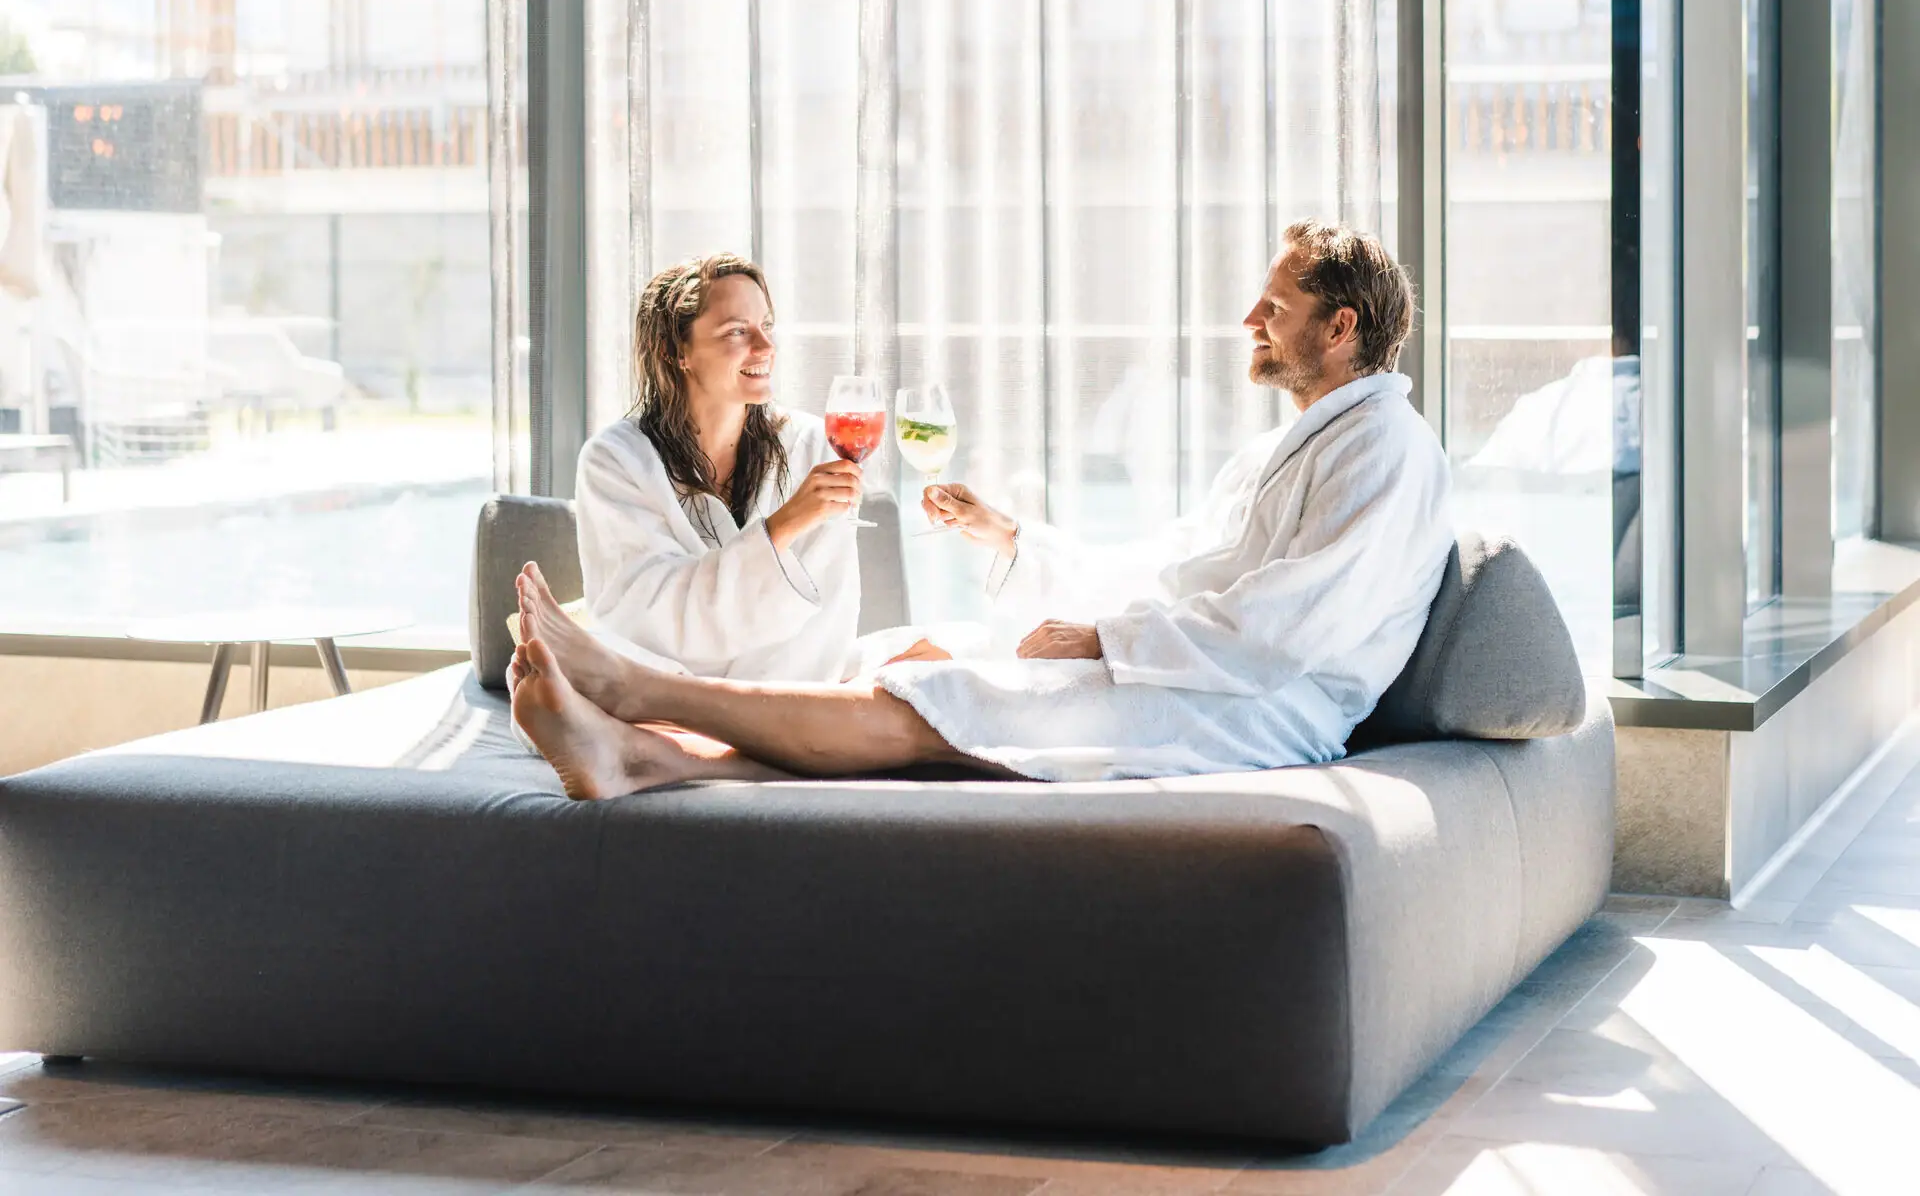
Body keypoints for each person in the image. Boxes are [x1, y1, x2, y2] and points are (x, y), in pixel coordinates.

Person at [510, 220, 1455, 798]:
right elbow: (1174, 569)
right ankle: (650, 761)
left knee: (946, 694)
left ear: (1341, 328)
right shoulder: (1291, 451)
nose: (1250, 321)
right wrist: (1013, 540)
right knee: (953, 673)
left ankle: (640, 696)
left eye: (1274, 308)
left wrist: (1104, 640)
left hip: (1258, 710)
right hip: (1217, 679)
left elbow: (1285, 627)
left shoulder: (1384, 447)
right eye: (736, 332)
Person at [543, 253, 865, 687]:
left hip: (788, 691)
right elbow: (645, 622)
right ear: (676, 351)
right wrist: (782, 527)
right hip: (664, 689)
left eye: (766, 326)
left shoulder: (812, 447)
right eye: (737, 331)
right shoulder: (615, 460)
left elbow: (826, 622)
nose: (766, 347)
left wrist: (756, 707)